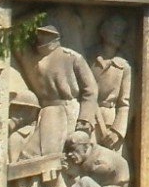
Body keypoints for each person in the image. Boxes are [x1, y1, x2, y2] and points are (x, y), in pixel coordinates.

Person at [17, 20, 99, 163]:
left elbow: (90, 89)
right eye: (39, 34)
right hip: (46, 111)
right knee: (33, 154)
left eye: (45, 34)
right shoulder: (33, 58)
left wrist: (85, 118)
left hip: (68, 112)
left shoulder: (72, 57)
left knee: (62, 154)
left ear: (55, 36)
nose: (40, 37)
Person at [50, 130, 132, 187]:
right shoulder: (92, 154)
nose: (70, 154)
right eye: (68, 150)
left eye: (74, 149)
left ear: (86, 147)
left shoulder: (100, 162)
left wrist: (74, 173)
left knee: (86, 182)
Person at [91, 14, 133, 151]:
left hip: (110, 121)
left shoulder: (124, 66)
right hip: (89, 117)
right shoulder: (88, 59)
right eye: (114, 28)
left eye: (121, 31)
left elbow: (125, 103)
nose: (117, 33)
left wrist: (117, 131)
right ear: (103, 31)